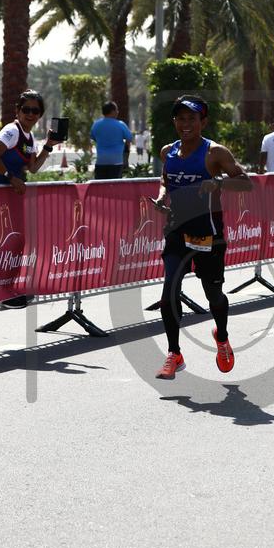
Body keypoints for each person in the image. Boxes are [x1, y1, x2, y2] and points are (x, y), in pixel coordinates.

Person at [152, 95, 253, 380]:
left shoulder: (215, 153)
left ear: (203, 122)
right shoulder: (168, 152)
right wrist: (162, 196)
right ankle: (174, 353)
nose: (186, 124)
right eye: (180, 118)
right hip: (177, 231)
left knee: (214, 296)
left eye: (192, 119)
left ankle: (222, 337)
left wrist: (218, 182)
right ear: (174, 122)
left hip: (208, 234)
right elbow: (166, 179)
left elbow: (246, 182)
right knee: (168, 293)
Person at [0, 89, 60, 308]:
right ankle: (4, 293)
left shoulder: (30, 137)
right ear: (17, 110)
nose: (30, 114)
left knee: (14, 241)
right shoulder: (11, 131)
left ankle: (7, 291)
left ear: (40, 114)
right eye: (26, 109)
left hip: (10, 197)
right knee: (4, 242)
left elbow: (33, 168)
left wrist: (48, 146)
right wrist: (10, 177)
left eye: (35, 111)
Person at [90, 101, 132, 179]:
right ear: (112, 111)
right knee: (115, 185)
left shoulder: (96, 125)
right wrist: (125, 153)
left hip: (101, 161)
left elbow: (93, 138)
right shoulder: (121, 125)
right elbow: (129, 139)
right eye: (116, 110)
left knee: (101, 184)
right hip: (117, 161)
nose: (118, 112)